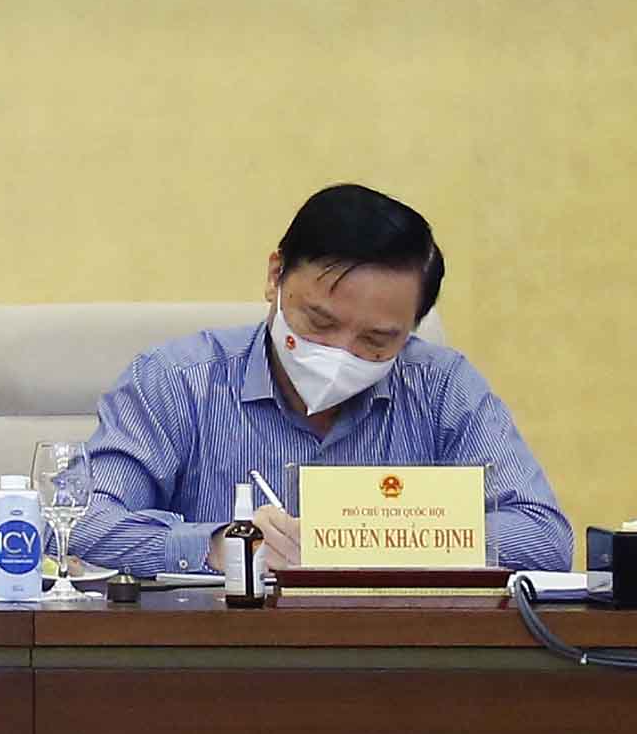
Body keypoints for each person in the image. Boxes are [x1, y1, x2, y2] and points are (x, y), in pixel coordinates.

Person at [71, 183, 570, 577]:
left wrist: (390, 539)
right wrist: (217, 546)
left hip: (396, 659)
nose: (340, 354)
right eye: (320, 322)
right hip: (221, 657)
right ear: (276, 276)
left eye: (376, 340)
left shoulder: (442, 387)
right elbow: (78, 524)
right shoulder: (177, 381)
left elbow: (544, 537)